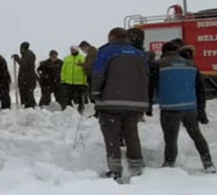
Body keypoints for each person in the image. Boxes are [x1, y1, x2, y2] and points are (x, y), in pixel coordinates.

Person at [92, 27, 151, 180]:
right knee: (131, 134)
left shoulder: (106, 52)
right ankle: (136, 168)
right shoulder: (139, 53)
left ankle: (115, 170)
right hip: (135, 103)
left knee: (111, 136)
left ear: (111, 37)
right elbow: (146, 75)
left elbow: (98, 74)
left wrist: (96, 94)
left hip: (110, 102)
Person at [155, 42, 215, 172]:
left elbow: (152, 84)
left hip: (170, 107)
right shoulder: (191, 64)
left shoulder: (159, 64)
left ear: (163, 52)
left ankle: (169, 164)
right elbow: (200, 89)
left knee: (170, 138)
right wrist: (201, 110)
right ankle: (208, 163)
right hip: (190, 107)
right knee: (196, 135)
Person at [61, 46, 87, 113]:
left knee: (80, 98)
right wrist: (63, 79)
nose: (72, 51)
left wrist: (85, 82)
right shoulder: (67, 58)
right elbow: (63, 70)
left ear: (77, 50)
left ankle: (80, 110)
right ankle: (70, 111)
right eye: (71, 49)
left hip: (80, 82)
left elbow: (85, 70)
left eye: (74, 49)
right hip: (68, 82)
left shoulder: (82, 58)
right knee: (68, 98)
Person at [12, 42, 37, 108]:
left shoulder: (28, 54)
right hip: (27, 78)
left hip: (27, 79)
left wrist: (17, 58)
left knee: (28, 94)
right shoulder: (27, 54)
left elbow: (23, 64)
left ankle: (30, 107)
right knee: (27, 94)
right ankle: (29, 106)